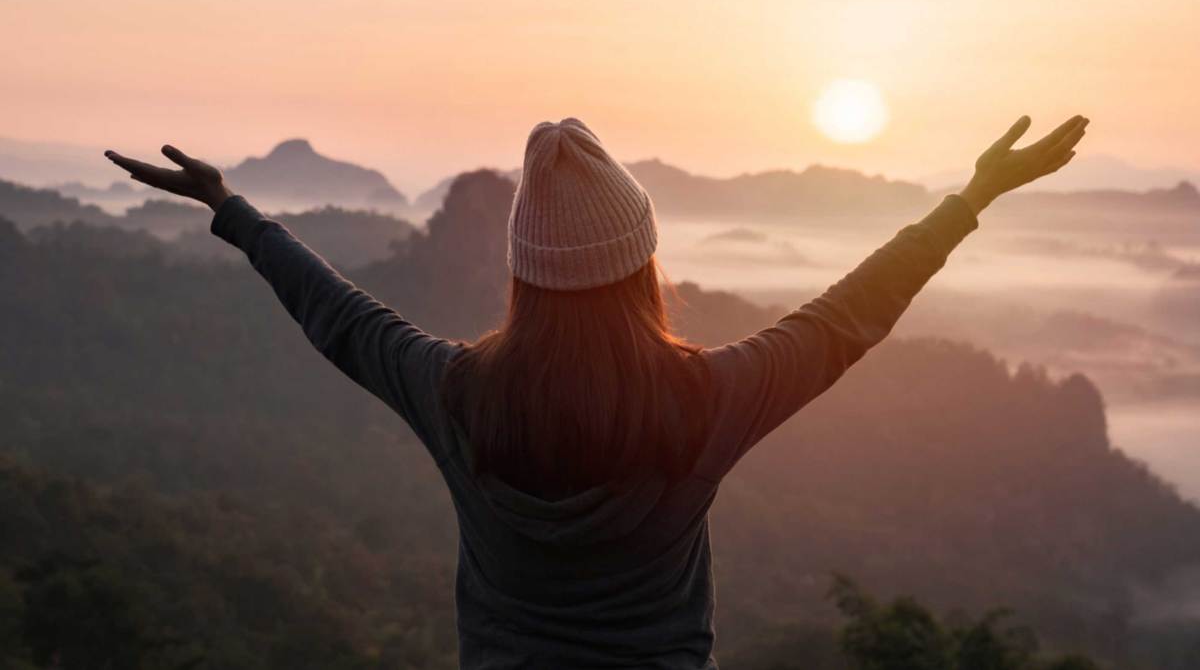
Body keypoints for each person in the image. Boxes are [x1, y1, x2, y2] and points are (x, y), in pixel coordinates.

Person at [105, 113, 1087, 669]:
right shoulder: (699, 405)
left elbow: (344, 320)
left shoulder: (459, 396)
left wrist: (231, 210)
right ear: (643, 270)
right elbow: (845, 319)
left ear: (525, 278)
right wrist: (972, 199)